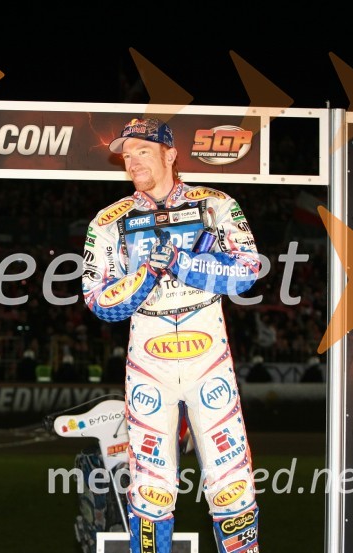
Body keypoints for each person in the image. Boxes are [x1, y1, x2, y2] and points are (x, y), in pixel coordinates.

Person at [81, 118, 262, 553]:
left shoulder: (216, 204)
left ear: (169, 153)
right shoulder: (109, 221)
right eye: (126, 155)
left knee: (231, 481)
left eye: (142, 151)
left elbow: (248, 271)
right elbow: (98, 301)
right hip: (149, 359)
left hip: (208, 355)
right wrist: (146, 274)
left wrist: (183, 263)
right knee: (152, 486)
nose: (132, 161)